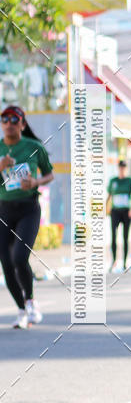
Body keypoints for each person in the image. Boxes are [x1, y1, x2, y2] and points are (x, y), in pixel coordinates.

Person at [0, 105, 54, 328]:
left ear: (22, 124)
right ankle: (22, 310)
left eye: (15, 119)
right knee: (6, 263)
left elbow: (48, 173)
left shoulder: (33, 147)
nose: (9, 123)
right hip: (3, 210)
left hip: (28, 209)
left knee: (19, 258)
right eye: (5, 119)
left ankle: (31, 301)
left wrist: (35, 182)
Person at [106, 160, 131, 272]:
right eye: (120, 167)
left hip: (126, 211)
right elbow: (109, 196)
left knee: (125, 237)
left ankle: (124, 262)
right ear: (118, 168)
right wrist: (106, 208)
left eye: (124, 167)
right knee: (113, 236)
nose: (122, 169)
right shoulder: (113, 181)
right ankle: (114, 260)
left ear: (126, 168)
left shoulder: (130, 181)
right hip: (115, 211)